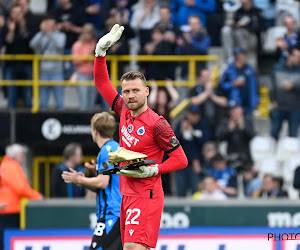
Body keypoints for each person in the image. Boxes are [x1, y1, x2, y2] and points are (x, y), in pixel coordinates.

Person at [94, 24, 188, 250]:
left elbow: (181, 159)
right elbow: (102, 83)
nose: (130, 95)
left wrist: (155, 169)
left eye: (135, 90)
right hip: (126, 193)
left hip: (146, 194)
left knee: (133, 248)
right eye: (126, 91)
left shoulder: (158, 124)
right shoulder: (123, 111)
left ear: (146, 91)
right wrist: (100, 53)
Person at [62, 112, 122, 250]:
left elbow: (102, 182)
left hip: (111, 213)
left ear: (95, 131)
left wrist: (80, 180)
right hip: (120, 213)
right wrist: (95, 172)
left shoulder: (106, 151)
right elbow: (113, 181)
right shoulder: (116, 147)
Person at [0, 144, 42, 250]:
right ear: (16, 155)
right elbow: (20, 188)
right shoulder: (11, 166)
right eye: (22, 154)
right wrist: (37, 196)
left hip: (7, 209)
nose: (23, 157)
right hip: (11, 211)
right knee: (8, 241)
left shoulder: (6, 165)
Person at [30, 14, 66, 111]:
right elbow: (32, 45)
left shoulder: (61, 35)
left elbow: (60, 45)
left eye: (51, 24)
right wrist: (41, 33)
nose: (49, 26)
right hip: (44, 72)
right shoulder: (41, 35)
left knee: (59, 102)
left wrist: (50, 34)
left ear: (55, 25)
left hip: (57, 72)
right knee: (43, 103)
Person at [175, 106, 212, 196]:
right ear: (188, 114)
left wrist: (193, 133)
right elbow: (173, 143)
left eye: (196, 114)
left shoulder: (203, 125)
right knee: (181, 191)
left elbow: (205, 142)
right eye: (192, 114)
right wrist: (181, 132)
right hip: (181, 163)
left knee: (196, 191)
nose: (194, 117)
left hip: (197, 163)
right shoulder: (181, 124)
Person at [3, 4, 33, 108]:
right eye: (14, 13)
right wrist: (11, 30)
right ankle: (12, 122)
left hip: (27, 64)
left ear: (23, 13)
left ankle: (29, 121)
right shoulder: (6, 27)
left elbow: (30, 42)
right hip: (11, 65)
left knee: (27, 95)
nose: (16, 15)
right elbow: (7, 42)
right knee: (12, 96)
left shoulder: (29, 24)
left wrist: (22, 26)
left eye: (19, 13)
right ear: (11, 14)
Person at [221, 0, 264, 68]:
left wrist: (246, 26)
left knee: (240, 32)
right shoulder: (238, 11)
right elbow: (233, 24)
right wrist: (235, 25)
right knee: (225, 30)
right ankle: (230, 57)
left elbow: (260, 28)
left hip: (252, 37)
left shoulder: (257, 11)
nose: (243, 1)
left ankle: (241, 55)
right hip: (238, 36)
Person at [219, 47, 259, 118]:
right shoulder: (229, 69)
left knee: (248, 125)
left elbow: (254, 87)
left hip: (248, 104)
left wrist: (255, 102)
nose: (241, 58)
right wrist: (233, 84)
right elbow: (222, 85)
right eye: (239, 56)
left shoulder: (250, 69)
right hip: (235, 103)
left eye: (242, 55)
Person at [269, 48, 300, 140]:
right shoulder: (277, 68)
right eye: (297, 57)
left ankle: (291, 153)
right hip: (278, 106)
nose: (299, 59)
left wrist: (293, 87)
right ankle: (272, 151)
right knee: (274, 133)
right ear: (290, 56)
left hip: (295, 107)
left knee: (293, 135)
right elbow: (271, 86)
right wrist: (272, 100)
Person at [72, 23, 97, 110]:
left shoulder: (95, 44)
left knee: (92, 102)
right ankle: (83, 122)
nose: (87, 36)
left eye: (89, 33)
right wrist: (88, 56)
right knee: (84, 101)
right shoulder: (77, 45)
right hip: (82, 75)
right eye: (85, 33)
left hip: (94, 75)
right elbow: (76, 61)